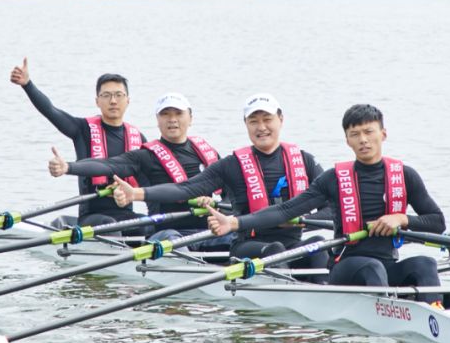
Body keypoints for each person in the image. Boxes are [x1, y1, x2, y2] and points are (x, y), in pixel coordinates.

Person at [205, 103, 446, 304]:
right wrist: (235, 223)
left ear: (383, 134)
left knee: (425, 263)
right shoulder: (333, 179)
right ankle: (387, 318)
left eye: (369, 132)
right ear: (347, 141)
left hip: (387, 264)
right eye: (355, 134)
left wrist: (403, 219)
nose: (363, 140)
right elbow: (285, 210)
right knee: (373, 268)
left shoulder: (405, 175)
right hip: (347, 266)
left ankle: (435, 314)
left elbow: (437, 222)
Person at [113, 93, 330, 279]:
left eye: (267, 119)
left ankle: (322, 290)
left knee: (319, 243)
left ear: (281, 120)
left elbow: (333, 210)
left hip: (291, 245)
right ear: (246, 124)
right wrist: (137, 194)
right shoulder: (231, 165)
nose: (261, 127)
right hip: (248, 246)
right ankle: (287, 293)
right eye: (254, 121)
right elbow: (185, 189)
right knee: (275, 250)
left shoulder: (304, 160)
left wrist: (304, 223)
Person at [48, 93, 223, 243]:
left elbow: (232, 195)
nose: (172, 120)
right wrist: (68, 167)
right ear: (157, 120)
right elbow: (106, 165)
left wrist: (214, 203)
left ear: (190, 118)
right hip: (167, 237)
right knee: (172, 240)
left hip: (209, 233)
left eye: (178, 113)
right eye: (166, 114)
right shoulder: (145, 156)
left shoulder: (207, 152)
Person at [10, 57, 145, 226]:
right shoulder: (82, 129)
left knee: (149, 224)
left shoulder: (138, 138)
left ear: (128, 100)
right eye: (106, 95)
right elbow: (51, 111)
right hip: (92, 216)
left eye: (119, 95)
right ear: (97, 101)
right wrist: (27, 84)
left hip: (125, 213)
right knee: (110, 225)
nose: (113, 100)